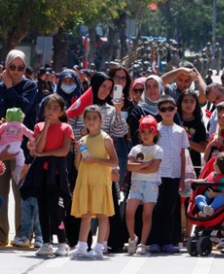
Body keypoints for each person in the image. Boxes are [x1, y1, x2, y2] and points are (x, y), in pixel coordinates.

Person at [0, 49, 37, 247]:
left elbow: (24, 107)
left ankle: (23, 232)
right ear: (5, 66)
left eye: (20, 68)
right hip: (0, 147)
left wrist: (9, 88)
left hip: (22, 148)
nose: (16, 71)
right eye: (12, 67)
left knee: (21, 191)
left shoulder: (30, 86)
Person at [26, 94, 74, 258]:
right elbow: (38, 150)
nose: (51, 111)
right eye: (48, 108)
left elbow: (64, 151)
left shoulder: (66, 128)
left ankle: (62, 241)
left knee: (56, 209)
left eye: (55, 108)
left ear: (61, 112)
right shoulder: (39, 126)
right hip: (41, 174)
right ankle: (46, 242)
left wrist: (46, 154)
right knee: (43, 209)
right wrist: (46, 126)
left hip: (57, 174)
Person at [70, 105, 119, 259]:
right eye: (88, 118)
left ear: (100, 120)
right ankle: (82, 246)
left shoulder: (106, 139)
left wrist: (95, 160)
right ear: (84, 121)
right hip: (85, 181)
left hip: (100, 181)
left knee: (102, 215)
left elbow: (114, 161)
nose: (91, 121)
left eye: (94, 118)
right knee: (86, 214)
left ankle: (99, 247)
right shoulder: (83, 140)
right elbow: (78, 166)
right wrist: (78, 151)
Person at [148, 96, 189, 254]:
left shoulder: (180, 131)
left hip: (174, 175)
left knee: (170, 209)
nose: (167, 112)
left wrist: (182, 178)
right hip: (158, 175)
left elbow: (182, 155)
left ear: (175, 110)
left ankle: (168, 240)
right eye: (163, 109)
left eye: (170, 109)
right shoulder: (155, 130)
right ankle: (155, 241)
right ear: (158, 111)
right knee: (157, 208)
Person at [125, 115, 163, 255]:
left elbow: (154, 169)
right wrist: (147, 164)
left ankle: (142, 243)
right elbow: (129, 167)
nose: (146, 135)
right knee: (129, 211)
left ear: (155, 133)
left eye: (149, 132)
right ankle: (132, 237)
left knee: (147, 214)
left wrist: (139, 166)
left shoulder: (158, 149)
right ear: (139, 133)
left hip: (151, 183)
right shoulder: (135, 149)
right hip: (136, 183)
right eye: (143, 132)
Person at [0, 108, 35, 184]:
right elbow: (30, 133)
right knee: (21, 157)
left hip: (3, 148)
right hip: (16, 149)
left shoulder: (5, 125)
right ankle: (18, 170)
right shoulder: (21, 126)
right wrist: (35, 138)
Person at [108, 65, 134, 187]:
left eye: (123, 78)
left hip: (122, 144)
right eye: (117, 77)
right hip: (104, 142)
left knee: (117, 183)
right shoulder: (103, 99)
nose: (120, 81)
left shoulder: (129, 104)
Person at [188, 152, 224, 218]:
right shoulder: (212, 174)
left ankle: (209, 209)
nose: (214, 163)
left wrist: (214, 194)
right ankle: (204, 208)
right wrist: (194, 181)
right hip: (207, 198)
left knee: (222, 199)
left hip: (217, 200)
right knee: (198, 197)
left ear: (217, 166)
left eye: (215, 162)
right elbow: (204, 181)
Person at [177, 89, 207, 174]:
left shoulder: (199, 124)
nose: (188, 104)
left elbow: (203, 148)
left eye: (192, 101)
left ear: (196, 104)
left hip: (192, 165)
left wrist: (186, 141)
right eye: (185, 101)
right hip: (174, 164)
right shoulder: (174, 120)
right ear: (180, 103)